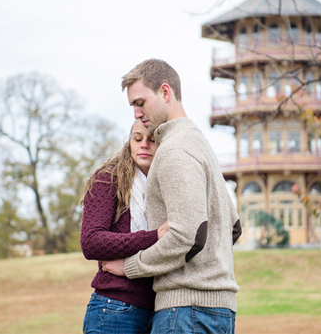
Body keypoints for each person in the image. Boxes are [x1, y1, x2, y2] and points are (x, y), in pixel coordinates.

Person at [102, 59, 242, 334]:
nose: (136, 114)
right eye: (133, 105)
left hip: (185, 313)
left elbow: (187, 236)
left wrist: (130, 266)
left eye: (140, 102)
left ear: (165, 92)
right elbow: (233, 226)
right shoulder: (199, 143)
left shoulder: (174, 151)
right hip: (218, 311)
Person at [80, 120, 169, 334]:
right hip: (114, 308)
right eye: (137, 139)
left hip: (159, 310)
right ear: (129, 142)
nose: (144, 145)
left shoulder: (168, 185)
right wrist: (154, 236)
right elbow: (91, 242)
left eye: (152, 140)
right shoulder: (108, 179)